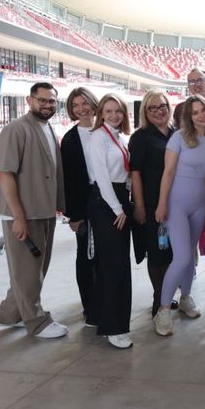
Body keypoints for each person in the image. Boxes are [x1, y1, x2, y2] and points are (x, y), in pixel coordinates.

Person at [0, 82, 68, 339]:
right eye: (42, 100)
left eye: (52, 101)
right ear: (29, 100)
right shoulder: (16, 129)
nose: (47, 105)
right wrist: (18, 217)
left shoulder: (47, 128)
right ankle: (36, 322)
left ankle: (9, 314)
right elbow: (6, 174)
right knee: (28, 271)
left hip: (43, 209)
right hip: (24, 213)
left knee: (35, 268)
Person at [153, 95, 205, 336]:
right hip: (176, 203)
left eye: (204, 110)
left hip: (199, 203)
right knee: (181, 257)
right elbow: (168, 172)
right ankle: (163, 309)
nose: (201, 115)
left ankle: (186, 297)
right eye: (195, 112)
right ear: (189, 117)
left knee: (191, 255)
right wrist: (162, 203)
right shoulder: (179, 137)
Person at [87, 93, 135, 349]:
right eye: (108, 111)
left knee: (111, 263)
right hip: (107, 203)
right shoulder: (98, 137)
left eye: (118, 111)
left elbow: (124, 173)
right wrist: (117, 209)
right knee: (116, 265)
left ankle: (99, 317)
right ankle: (114, 327)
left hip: (119, 199)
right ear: (101, 114)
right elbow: (102, 176)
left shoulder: (120, 137)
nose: (114, 115)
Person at [129, 90, 177, 318]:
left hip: (177, 202)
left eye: (162, 106)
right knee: (157, 253)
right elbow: (135, 173)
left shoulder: (177, 134)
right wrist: (139, 205)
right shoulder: (140, 137)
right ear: (145, 112)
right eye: (152, 108)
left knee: (173, 252)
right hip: (151, 202)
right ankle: (159, 300)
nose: (159, 111)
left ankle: (167, 294)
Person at [60, 86, 100, 328]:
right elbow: (69, 181)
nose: (81, 109)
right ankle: (90, 306)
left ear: (94, 104)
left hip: (108, 201)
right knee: (86, 256)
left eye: (85, 103)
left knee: (105, 256)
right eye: (75, 105)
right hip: (84, 204)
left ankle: (105, 299)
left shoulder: (108, 130)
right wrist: (74, 215)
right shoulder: (70, 139)